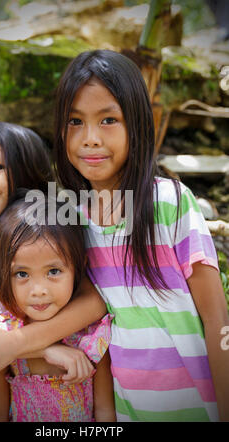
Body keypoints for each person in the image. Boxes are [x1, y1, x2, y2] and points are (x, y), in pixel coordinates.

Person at [52, 49, 229, 422]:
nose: (90, 138)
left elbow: (217, 320)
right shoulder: (72, 222)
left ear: (138, 123)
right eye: (75, 121)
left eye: (108, 120)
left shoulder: (171, 203)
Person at [0, 122, 106, 422]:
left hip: (46, 388)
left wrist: (19, 346)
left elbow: (94, 304)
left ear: (29, 172)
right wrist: (46, 350)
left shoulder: (55, 234)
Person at [0, 196, 115, 422]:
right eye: (22, 274)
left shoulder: (91, 337)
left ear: (79, 267)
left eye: (53, 271)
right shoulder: (1, 337)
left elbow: (105, 410)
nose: (39, 291)